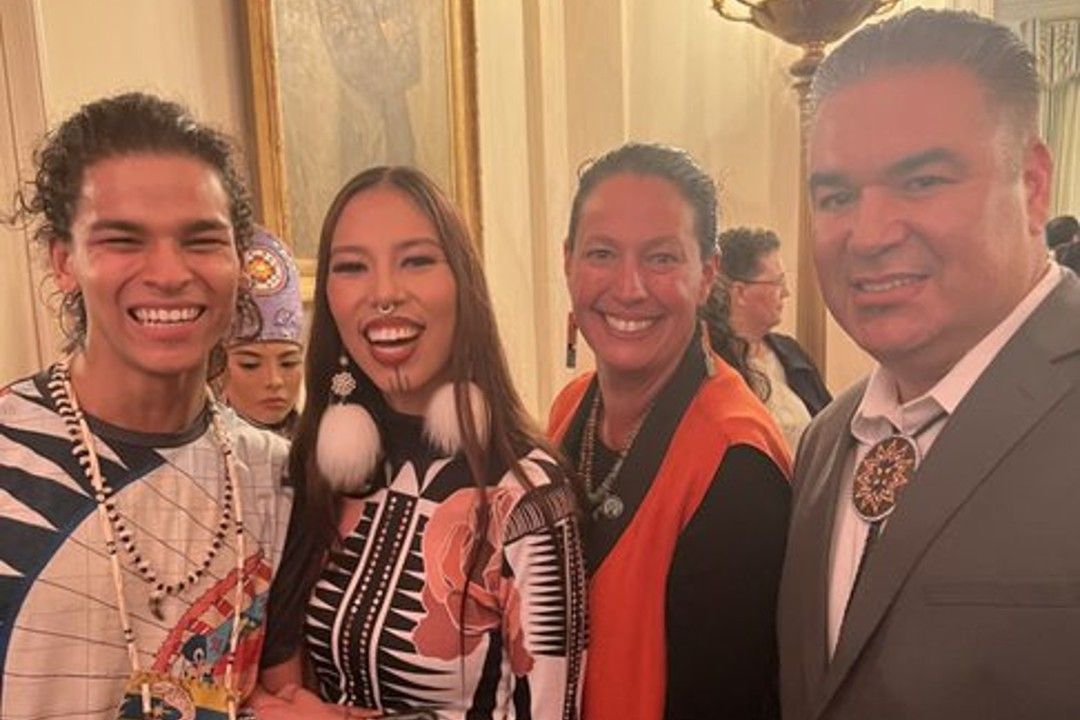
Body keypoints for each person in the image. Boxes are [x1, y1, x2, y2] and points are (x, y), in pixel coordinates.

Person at [778, 9, 1079, 719]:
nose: (869, 233)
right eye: (836, 195)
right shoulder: (827, 438)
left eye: (922, 182)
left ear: (1033, 183)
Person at [255, 166, 586, 719]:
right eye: (353, 267)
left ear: (463, 282)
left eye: (416, 261)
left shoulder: (529, 499)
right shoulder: (317, 469)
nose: (384, 293)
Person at [0, 92, 290, 719]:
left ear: (240, 261)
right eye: (123, 240)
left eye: (202, 241)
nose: (168, 272)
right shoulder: (9, 467)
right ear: (64, 261)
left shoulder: (277, 477)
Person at [549, 142, 792, 720]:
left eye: (661, 259)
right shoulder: (568, 408)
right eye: (602, 253)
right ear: (567, 262)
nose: (628, 287)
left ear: (707, 273)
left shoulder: (737, 463)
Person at [717, 226, 831, 448]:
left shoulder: (792, 354)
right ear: (739, 292)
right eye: (777, 283)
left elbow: (831, 428)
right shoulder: (710, 364)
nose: (786, 292)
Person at [219, 226, 305, 438]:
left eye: (289, 363)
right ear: (216, 370)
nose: (274, 380)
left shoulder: (325, 449)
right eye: (250, 365)